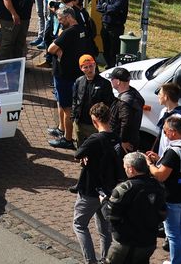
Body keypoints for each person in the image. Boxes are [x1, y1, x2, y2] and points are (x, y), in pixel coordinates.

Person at [146, 116, 181, 264]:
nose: (163, 133)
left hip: (173, 197)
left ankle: (176, 262)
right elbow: (176, 168)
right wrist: (159, 159)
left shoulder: (173, 152)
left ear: (173, 132)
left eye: (165, 131)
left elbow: (160, 176)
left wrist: (149, 164)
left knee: (172, 233)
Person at [71, 103, 119, 264]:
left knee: (79, 224)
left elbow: (78, 154)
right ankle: (105, 260)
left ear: (94, 120)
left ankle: (90, 260)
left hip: (90, 189)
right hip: (108, 190)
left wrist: (85, 157)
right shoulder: (115, 138)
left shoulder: (94, 139)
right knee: (105, 230)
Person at [104, 152, 166, 264]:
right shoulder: (158, 186)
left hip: (125, 244)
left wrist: (104, 202)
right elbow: (163, 213)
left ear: (131, 169)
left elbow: (110, 216)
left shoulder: (124, 188)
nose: (125, 170)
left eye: (125, 168)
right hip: (148, 243)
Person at [48, 7, 91, 150]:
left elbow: (51, 49)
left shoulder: (68, 32)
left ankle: (67, 139)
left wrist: (59, 49)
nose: (59, 22)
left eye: (60, 19)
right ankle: (61, 129)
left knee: (67, 107)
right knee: (61, 102)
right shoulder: (81, 29)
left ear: (68, 17)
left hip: (64, 75)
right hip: (73, 73)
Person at [69, 55, 115, 148]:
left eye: (91, 66)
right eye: (85, 67)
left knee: (94, 148)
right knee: (81, 148)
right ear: (81, 68)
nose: (89, 69)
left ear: (95, 65)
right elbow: (75, 99)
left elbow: (109, 103)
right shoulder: (79, 81)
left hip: (95, 124)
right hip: (80, 122)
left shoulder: (104, 83)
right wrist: (74, 116)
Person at [153, 83, 181, 156]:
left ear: (166, 97)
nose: (158, 96)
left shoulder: (179, 117)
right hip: (162, 154)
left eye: (160, 94)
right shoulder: (164, 111)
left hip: (172, 157)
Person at [96, 0, 129, 68]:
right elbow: (98, 6)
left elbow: (116, 8)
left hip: (116, 26)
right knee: (105, 47)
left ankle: (113, 66)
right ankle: (108, 64)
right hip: (105, 24)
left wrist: (105, 7)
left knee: (114, 49)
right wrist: (107, 8)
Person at [108, 67, 145, 153]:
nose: (111, 81)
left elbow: (126, 123)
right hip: (133, 139)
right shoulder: (134, 94)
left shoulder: (125, 101)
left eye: (112, 79)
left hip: (125, 144)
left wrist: (123, 141)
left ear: (118, 81)